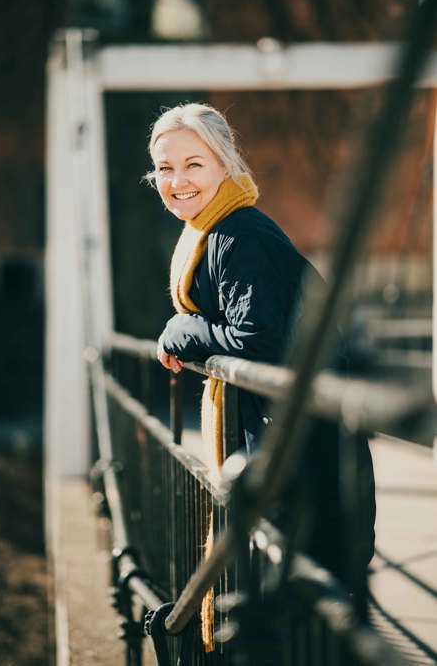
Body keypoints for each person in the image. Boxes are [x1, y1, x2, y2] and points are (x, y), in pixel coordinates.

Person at [148, 102, 375, 602]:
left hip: (304, 451)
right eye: (165, 168)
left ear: (227, 166)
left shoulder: (239, 235)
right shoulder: (216, 231)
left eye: (194, 164)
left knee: (308, 596)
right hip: (288, 439)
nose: (177, 180)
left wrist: (183, 330)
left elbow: (254, 342)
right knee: (295, 595)